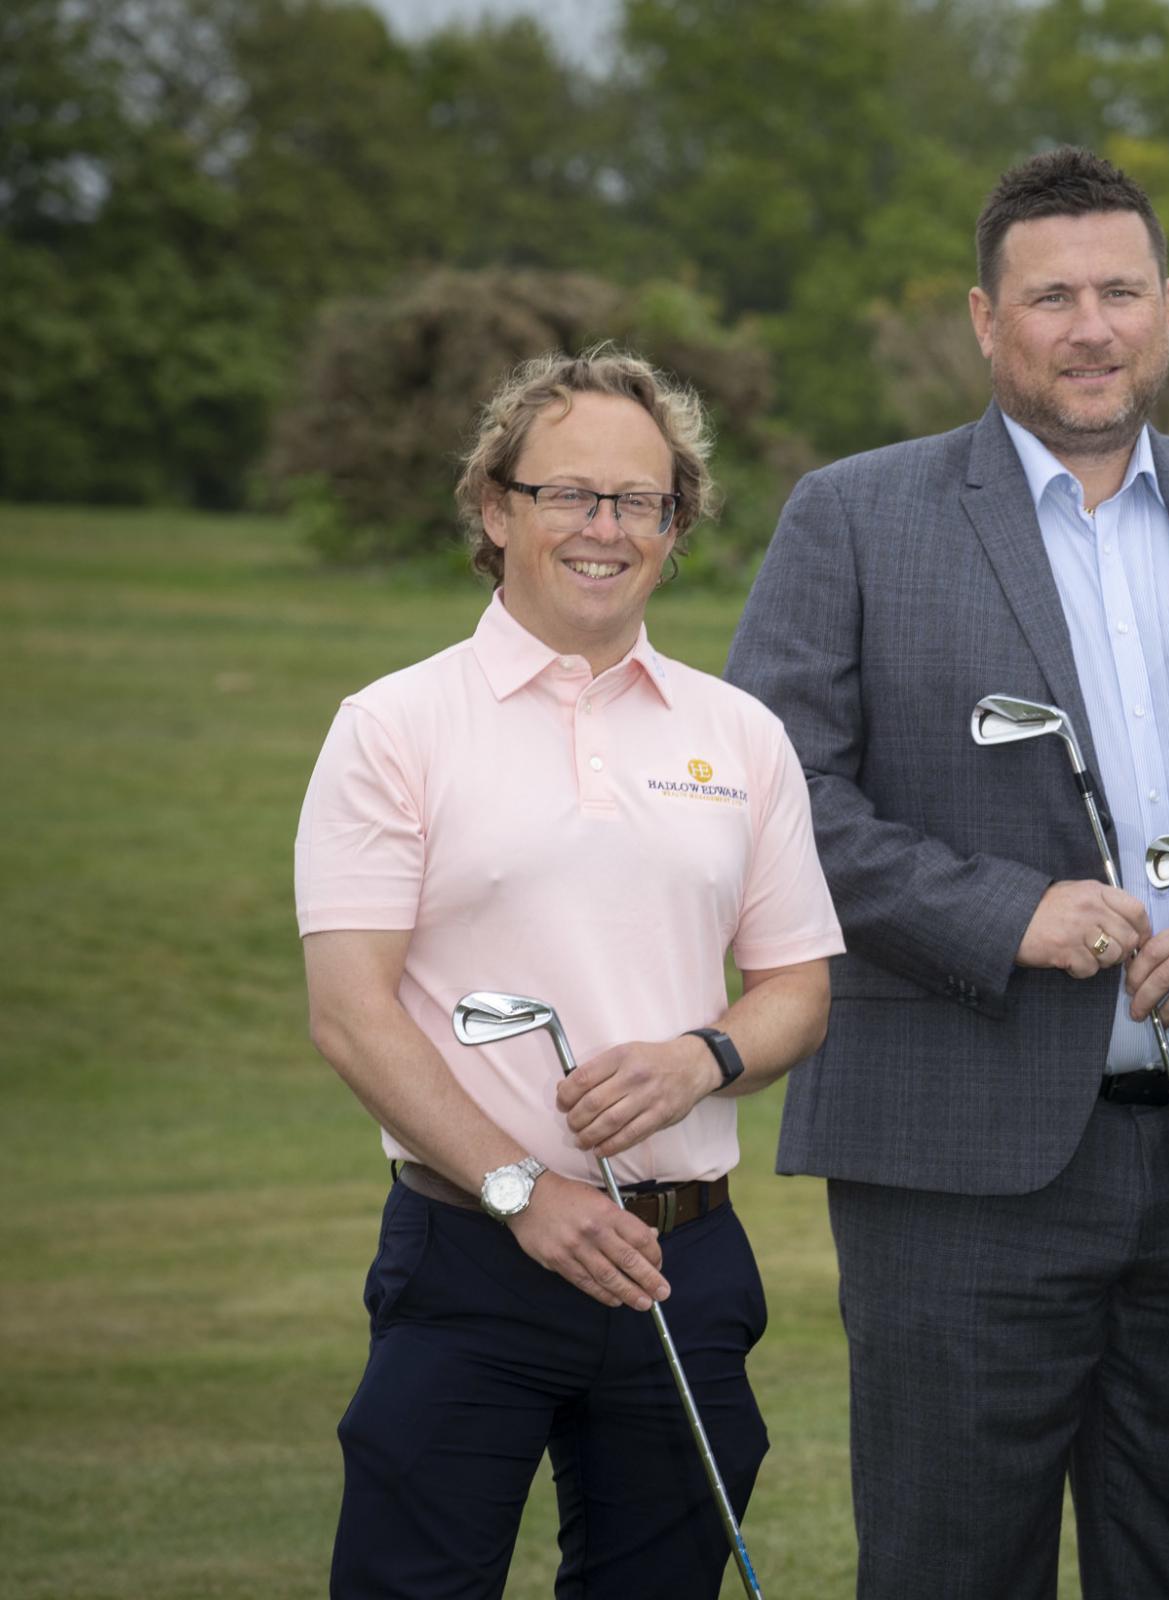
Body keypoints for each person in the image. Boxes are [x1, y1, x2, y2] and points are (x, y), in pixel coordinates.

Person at [724, 146, 1169, 1599]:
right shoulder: (854, 515)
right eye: (1053, 296)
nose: (1093, 327)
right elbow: (774, 795)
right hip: (956, 1156)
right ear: (983, 319)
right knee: (952, 1565)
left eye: (1121, 292)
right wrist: (1004, 913)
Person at [296, 348, 845, 1597]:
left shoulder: (738, 734)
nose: (607, 529)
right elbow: (349, 1012)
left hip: (681, 1263)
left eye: (640, 502)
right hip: (471, 1255)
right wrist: (522, 1192)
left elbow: (797, 987)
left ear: (675, 524)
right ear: (498, 509)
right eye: (571, 495)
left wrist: (699, 1056)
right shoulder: (395, 724)